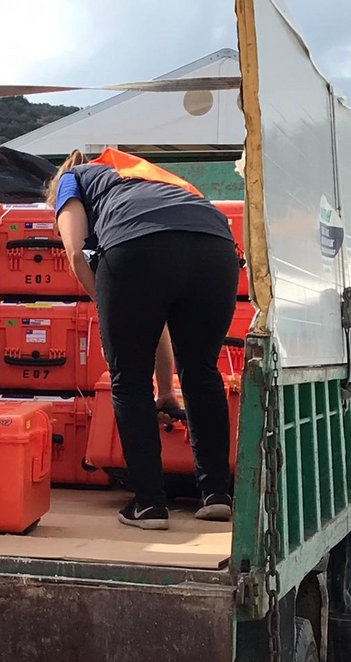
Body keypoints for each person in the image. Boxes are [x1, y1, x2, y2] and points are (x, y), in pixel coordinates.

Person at [49, 149, 239, 529]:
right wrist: (166, 390)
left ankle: (149, 505)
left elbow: (74, 253)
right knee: (202, 370)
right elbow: (158, 319)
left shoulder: (73, 179)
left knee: (128, 378)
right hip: (216, 247)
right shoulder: (148, 176)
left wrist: (107, 305)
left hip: (137, 248)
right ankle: (217, 494)